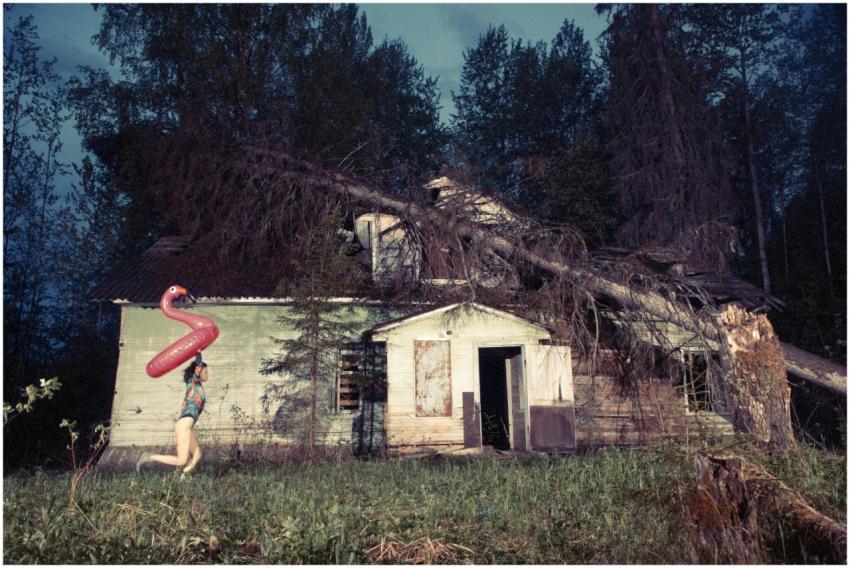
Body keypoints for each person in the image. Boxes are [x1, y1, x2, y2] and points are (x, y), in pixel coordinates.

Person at [136, 356, 207, 476]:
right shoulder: (193, 382)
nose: (207, 374)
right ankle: (148, 456)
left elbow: (184, 405)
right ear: (197, 373)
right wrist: (198, 352)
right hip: (184, 425)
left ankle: (184, 477)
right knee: (182, 460)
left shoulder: (194, 387)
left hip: (186, 425)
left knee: (197, 454)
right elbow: (198, 366)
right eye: (205, 372)